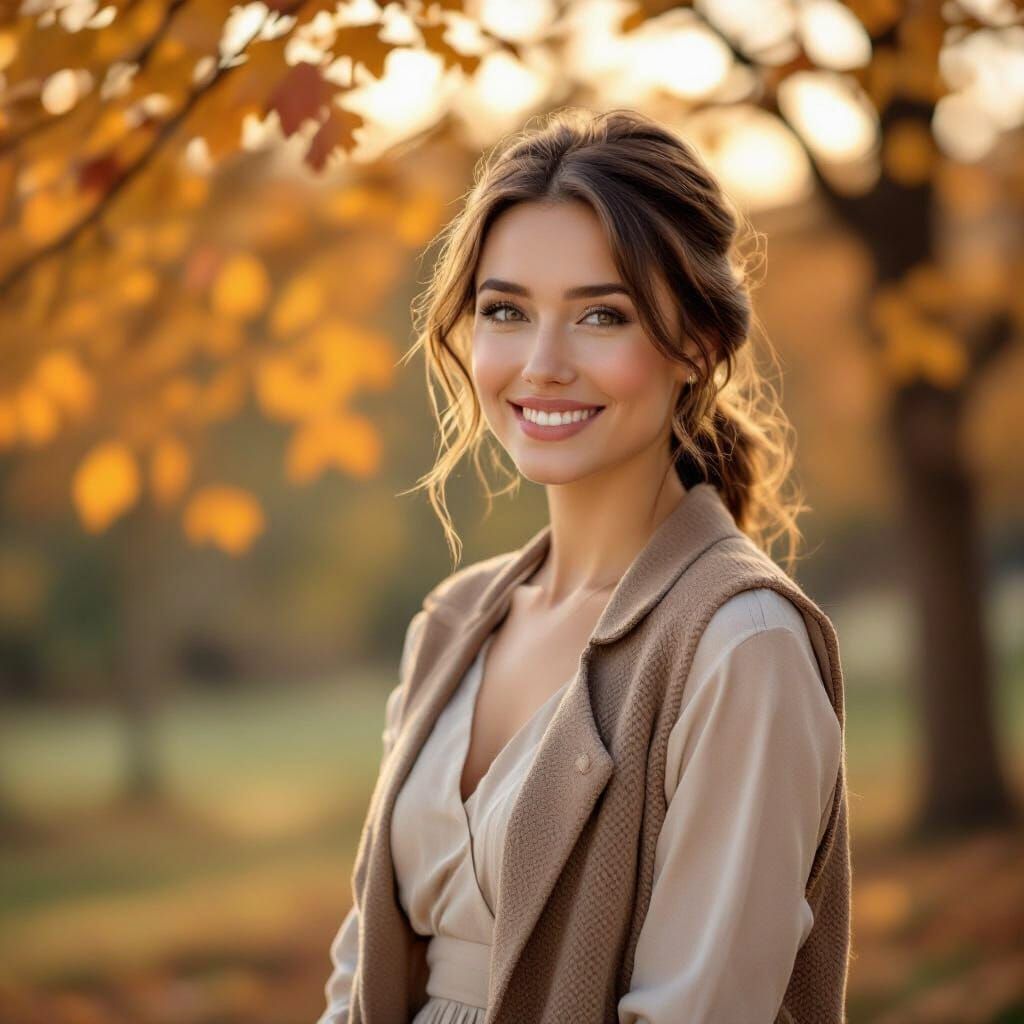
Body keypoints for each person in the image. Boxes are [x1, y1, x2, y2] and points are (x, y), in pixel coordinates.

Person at [317, 106, 851, 1023]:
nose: (543, 363)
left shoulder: (740, 644)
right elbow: (358, 974)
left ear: (697, 345)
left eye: (603, 315)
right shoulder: (454, 622)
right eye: (506, 312)